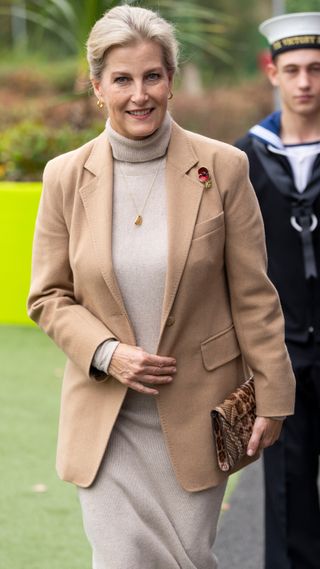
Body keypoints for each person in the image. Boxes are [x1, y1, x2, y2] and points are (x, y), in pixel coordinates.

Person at [28, 5, 295, 568]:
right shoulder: (65, 176)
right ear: (98, 86)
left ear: (171, 79)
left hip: (198, 414)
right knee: (122, 558)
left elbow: (254, 293)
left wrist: (273, 395)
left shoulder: (223, 167)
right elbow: (49, 297)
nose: (139, 94)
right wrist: (107, 353)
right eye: (121, 79)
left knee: (187, 559)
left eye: (152, 76)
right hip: (108, 422)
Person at [235, 12, 320, 569]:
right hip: (281, 351)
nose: (305, 82)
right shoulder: (243, 156)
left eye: (316, 68)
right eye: (292, 69)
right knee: (286, 489)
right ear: (272, 71)